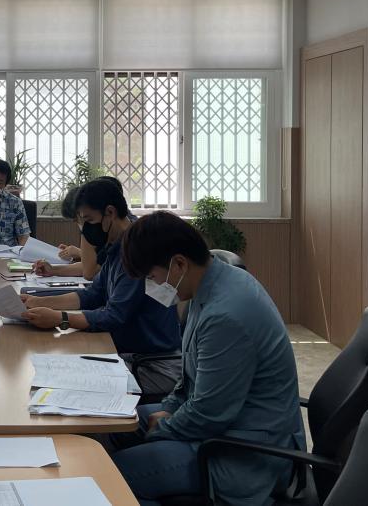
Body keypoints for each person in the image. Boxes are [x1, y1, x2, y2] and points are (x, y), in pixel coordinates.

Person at [112, 212, 304, 506]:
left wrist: (163, 428)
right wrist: (169, 408)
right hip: (223, 424)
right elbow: (190, 375)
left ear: (179, 264)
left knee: (111, 477)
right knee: (117, 425)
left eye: (151, 277)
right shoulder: (210, 285)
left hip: (244, 452)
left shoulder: (225, 315)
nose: (151, 286)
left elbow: (210, 414)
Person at [20, 178, 181, 397]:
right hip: (131, 353)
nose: (86, 229)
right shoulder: (116, 247)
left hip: (152, 364)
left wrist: (60, 318)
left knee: (67, 383)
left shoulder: (137, 251)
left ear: (110, 213)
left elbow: (113, 316)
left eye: (89, 220)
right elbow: (93, 294)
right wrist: (39, 302)